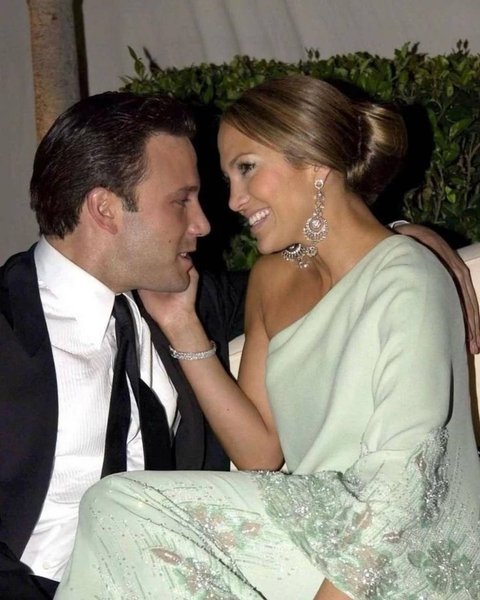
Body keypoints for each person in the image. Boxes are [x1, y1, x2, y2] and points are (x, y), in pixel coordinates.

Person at [55, 75, 480, 600]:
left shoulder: (409, 275)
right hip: (315, 529)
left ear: (316, 163)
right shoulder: (272, 280)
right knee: (112, 514)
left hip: (411, 548)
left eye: (247, 168)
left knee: (120, 506)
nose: (233, 200)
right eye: (228, 176)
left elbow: (406, 478)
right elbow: (258, 451)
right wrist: (181, 323)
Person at [0, 92, 248, 600]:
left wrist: (400, 235)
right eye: (181, 201)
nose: (202, 224)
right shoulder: (6, 329)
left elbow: (310, 272)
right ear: (105, 209)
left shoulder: (182, 300)